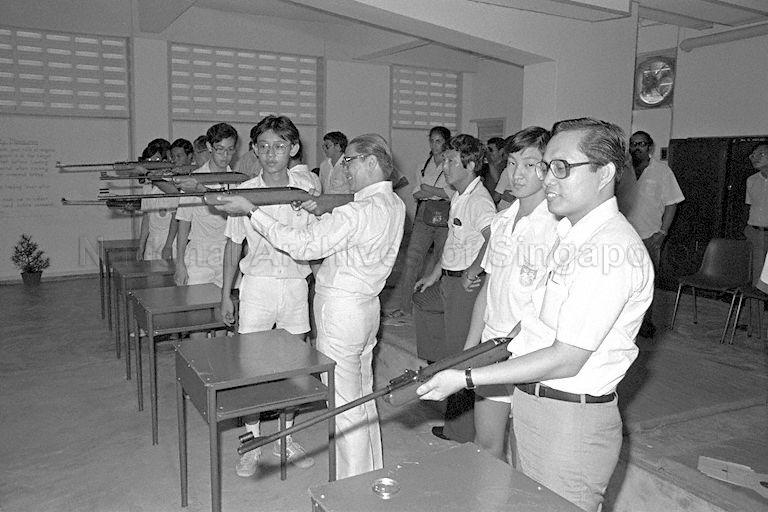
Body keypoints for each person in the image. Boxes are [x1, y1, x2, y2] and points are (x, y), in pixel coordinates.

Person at [417, 118, 654, 512]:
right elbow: (530, 323)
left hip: (569, 419)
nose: (548, 179)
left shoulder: (607, 250)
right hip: (537, 404)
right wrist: (468, 355)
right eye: (546, 165)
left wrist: (465, 376)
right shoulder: (571, 236)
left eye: (561, 167)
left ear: (605, 173)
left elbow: (566, 357)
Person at [213, 133, 405, 480]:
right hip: (365, 308)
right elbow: (346, 224)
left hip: (341, 312)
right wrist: (323, 209)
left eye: (350, 161)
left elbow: (303, 245)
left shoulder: (358, 211)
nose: (344, 169)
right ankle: (369, 472)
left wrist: (253, 211)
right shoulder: (393, 204)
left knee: (345, 406)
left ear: (372, 163)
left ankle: (352, 487)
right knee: (361, 397)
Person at [221, 116, 318, 476]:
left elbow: (321, 235)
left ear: (293, 148)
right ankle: (251, 440)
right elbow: (233, 246)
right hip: (258, 285)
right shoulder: (243, 192)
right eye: (262, 146)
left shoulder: (307, 185)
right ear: (254, 150)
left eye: (279, 146)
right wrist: (225, 294)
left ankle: (285, 437)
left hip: (295, 284)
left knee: (293, 366)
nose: (270, 153)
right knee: (252, 367)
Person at [462, 126, 557, 461]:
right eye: (512, 163)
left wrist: (508, 345)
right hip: (491, 347)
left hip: (532, 353)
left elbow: (549, 303)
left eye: (530, 165)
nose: (517, 174)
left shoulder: (559, 228)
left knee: (530, 457)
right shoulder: (502, 221)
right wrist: (472, 345)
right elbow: (489, 286)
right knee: (486, 446)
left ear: (549, 168)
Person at [412, 134, 496, 443]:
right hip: (447, 278)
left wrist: (475, 269)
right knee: (421, 302)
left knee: (462, 356)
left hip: (465, 285)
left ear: (471, 165)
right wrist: (434, 273)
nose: (444, 165)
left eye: (450, 161)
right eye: (445, 159)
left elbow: (493, 236)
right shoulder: (459, 194)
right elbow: (452, 238)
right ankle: (438, 374)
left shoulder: (479, 200)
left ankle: (460, 432)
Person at [384, 126, 451, 321]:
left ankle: (439, 306)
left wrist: (429, 189)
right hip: (425, 212)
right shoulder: (425, 162)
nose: (434, 144)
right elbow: (417, 190)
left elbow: (451, 192)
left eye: (438, 141)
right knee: (411, 260)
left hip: (445, 213)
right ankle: (405, 307)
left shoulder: (451, 162)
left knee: (442, 260)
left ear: (446, 141)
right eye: (432, 140)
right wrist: (433, 191)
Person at [621, 130, 683, 338]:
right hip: (622, 237)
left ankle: (645, 322)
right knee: (622, 281)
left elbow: (672, 203)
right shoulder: (623, 170)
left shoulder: (662, 171)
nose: (636, 147)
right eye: (633, 144)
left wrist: (663, 232)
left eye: (641, 143)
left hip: (649, 236)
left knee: (646, 283)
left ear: (650, 147)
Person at [174, 123, 237, 287]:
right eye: (220, 149)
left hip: (229, 253)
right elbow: (183, 224)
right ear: (209, 147)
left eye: (230, 150)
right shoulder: (193, 180)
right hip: (199, 256)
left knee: (228, 310)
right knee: (198, 308)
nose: (225, 155)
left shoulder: (238, 181)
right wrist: (180, 264)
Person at [136, 138, 179, 261]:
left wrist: (168, 245)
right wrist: (141, 245)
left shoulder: (169, 183)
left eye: (156, 160)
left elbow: (175, 218)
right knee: (151, 278)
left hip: (169, 240)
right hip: (152, 240)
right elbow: (146, 218)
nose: (152, 164)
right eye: (149, 160)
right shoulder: (147, 186)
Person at [745, 144, 768, 286]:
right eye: (753, 154)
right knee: (755, 278)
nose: (755, 158)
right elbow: (750, 206)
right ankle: (755, 309)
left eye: (761, 154)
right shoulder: (751, 180)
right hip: (755, 233)